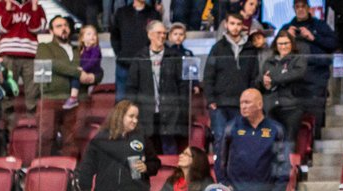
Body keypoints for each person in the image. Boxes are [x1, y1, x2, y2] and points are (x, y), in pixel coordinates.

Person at [215, 89, 291, 191]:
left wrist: (279, 187)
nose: (243, 106)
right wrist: (224, 183)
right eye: (241, 102)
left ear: (259, 104)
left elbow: (283, 161)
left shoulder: (275, 129)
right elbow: (220, 158)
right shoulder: (231, 128)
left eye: (247, 102)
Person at [77, 101, 158, 191]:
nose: (135, 120)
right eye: (131, 116)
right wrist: (85, 190)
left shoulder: (141, 137)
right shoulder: (101, 139)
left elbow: (155, 163)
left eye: (136, 117)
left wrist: (147, 167)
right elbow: (87, 167)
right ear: (120, 116)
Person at [35, 16, 98, 156]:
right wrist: (77, 72)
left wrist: (94, 77)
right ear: (51, 31)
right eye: (58, 26)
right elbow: (51, 63)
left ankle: (69, 172)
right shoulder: (44, 47)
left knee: (72, 140)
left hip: (76, 99)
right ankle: (44, 171)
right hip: (51, 97)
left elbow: (95, 68)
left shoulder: (79, 49)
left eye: (65, 25)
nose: (63, 28)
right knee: (46, 138)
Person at [127, 21, 190, 155]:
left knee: (169, 146)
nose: (162, 36)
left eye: (164, 33)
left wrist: (182, 108)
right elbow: (132, 87)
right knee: (146, 148)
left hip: (169, 110)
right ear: (149, 34)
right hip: (146, 111)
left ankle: (172, 175)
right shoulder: (140, 57)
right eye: (158, 33)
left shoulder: (174, 56)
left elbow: (183, 85)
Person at [203, 13, 259, 149]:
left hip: (242, 104)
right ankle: (220, 171)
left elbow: (254, 77)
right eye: (232, 23)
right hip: (219, 104)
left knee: (242, 140)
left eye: (238, 24)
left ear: (242, 26)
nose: (235, 27)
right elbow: (208, 76)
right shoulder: (217, 48)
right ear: (226, 25)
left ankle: (239, 170)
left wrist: (250, 101)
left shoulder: (250, 49)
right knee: (220, 140)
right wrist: (211, 100)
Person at [281, 0, 336, 125]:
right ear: (294, 9)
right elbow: (275, 50)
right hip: (293, 78)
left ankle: (316, 140)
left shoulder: (320, 25)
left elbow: (333, 44)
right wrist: (286, 37)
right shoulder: (287, 28)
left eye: (303, 6)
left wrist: (313, 37)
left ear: (309, 8)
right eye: (297, 7)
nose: (300, 9)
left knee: (316, 114)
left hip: (316, 76)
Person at [0, 0, 44, 117]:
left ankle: (32, 126)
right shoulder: (1, 5)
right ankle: (7, 128)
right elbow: (2, 28)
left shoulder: (37, 7)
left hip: (31, 54)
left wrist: (35, 7)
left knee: (33, 93)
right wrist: (8, 9)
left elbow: (37, 29)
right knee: (7, 91)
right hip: (7, 54)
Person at [262, 31, 309, 144]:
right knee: (271, 141)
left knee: (289, 141)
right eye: (280, 44)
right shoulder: (269, 61)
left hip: (292, 106)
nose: (283, 46)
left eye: (286, 43)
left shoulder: (298, 59)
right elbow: (260, 79)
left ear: (292, 44)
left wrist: (273, 79)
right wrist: (264, 82)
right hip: (271, 106)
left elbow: (296, 74)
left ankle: (288, 162)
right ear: (276, 45)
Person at [111, 0, 160, 101]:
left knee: (145, 100)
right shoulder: (121, 12)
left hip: (145, 63)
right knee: (121, 100)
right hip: (124, 63)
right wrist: (119, 54)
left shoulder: (154, 13)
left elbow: (158, 37)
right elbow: (115, 36)